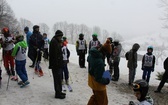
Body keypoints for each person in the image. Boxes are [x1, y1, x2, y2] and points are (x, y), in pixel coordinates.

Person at [87, 39, 112, 105]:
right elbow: (98, 78)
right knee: (103, 101)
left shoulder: (93, 53)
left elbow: (88, 59)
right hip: (98, 85)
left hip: (91, 79)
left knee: (95, 97)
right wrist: (107, 79)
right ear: (105, 52)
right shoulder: (99, 62)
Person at [49, 30, 66, 99]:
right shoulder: (54, 42)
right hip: (56, 64)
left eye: (61, 36)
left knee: (59, 79)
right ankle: (57, 93)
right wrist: (56, 64)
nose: (61, 37)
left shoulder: (57, 41)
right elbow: (54, 55)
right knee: (57, 79)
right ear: (57, 36)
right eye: (60, 36)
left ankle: (59, 91)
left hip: (58, 63)